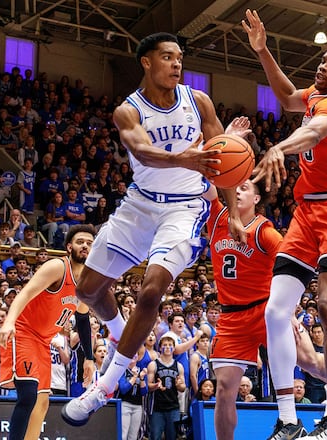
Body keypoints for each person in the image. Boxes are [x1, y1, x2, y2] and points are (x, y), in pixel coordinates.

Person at [61, 32, 245, 427]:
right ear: (146, 62)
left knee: (150, 291)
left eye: (180, 58)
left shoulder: (199, 101)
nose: (177, 64)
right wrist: (185, 157)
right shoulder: (128, 111)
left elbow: (223, 163)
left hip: (184, 210)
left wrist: (232, 212)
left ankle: (105, 386)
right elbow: (142, 151)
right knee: (88, 289)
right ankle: (116, 333)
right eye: (167, 57)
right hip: (140, 204)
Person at [243, 10, 327, 439]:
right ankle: (288, 420)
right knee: (276, 311)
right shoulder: (316, 94)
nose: (323, 65)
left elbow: (314, 132)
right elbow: (286, 97)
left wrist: (280, 146)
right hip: (307, 212)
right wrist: (263, 51)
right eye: (323, 60)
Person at [204, 175, 327, 440]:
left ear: (257, 199)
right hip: (232, 316)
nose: (238, 192)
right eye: (236, 189)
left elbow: (294, 269)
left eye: (245, 188)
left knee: (311, 362)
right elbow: (207, 181)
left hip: (266, 310)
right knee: (223, 390)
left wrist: (288, 310)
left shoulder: (265, 232)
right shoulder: (218, 218)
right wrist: (226, 142)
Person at [0, 225, 97, 440]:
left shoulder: (87, 281)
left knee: (42, 404)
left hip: (43, 341)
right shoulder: (57, 267)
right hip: (23, 332)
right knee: (28, 397)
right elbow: (25, 293)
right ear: (69, 247)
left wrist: (89, 357)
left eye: (90, 243)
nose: (85, 246)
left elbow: (82, 319)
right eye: (80, 242)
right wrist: (9, 322)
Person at [147, 335, 186, 440]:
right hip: (156, 408)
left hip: (173, 407)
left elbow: (183, 387)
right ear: (160, 348)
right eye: (165, 345)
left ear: (174, 348)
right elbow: (148, 386)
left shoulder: (179, 366)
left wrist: (179, 385)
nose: (168, 347)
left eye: (170, 345)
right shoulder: (153, 364)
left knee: (172, 437)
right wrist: (155, 386)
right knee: (155, 437)